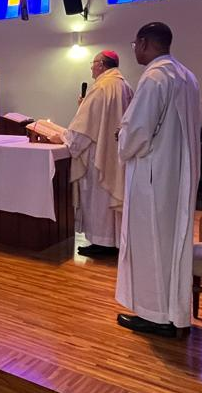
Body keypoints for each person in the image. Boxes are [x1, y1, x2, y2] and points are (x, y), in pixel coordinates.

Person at [116, 22, 200, 338]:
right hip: (177, 174)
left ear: (144, 43)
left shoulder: (154, 77)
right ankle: (173, 311)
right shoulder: (186, 76)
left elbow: (138, 130)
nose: (134, 51)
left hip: (152, 176)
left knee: (150, 241)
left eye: (135, 45)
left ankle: (155, 315)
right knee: (170, 242)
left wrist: (121, 138)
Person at [60, 51, 133, 257]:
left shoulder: (101, 87)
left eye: (93, 63)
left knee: (99, 197)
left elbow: (83, 128)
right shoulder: (125, 86)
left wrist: (66, 139)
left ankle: (102, 242)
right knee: (114, 194)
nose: (91, 67)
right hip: (118, 152)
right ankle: (116, 240)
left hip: (99, 152)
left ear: (101, 64)